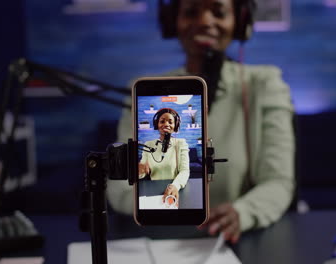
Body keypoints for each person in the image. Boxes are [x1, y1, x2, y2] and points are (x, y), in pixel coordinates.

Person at [107, 0, 295, 244]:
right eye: (191, 12)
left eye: (218, 12)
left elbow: (278, 181)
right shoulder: (143, 91)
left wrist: (243, 212)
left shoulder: (265, 84)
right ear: (172, 20)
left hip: (235, 242)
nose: (205, 22)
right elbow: (120, 189)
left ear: (239, 21)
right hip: (160, 240)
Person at [138, 108, 190, 204]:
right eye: (162, 121)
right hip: (153, 191)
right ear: (156, 124)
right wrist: (139, 170)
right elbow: (142, 172)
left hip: (175, 190)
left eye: (170, 122)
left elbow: (185, 170)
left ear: (175, 126)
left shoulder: (181, 143)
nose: (166, 124)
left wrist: (175, 186)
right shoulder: (148, 144)